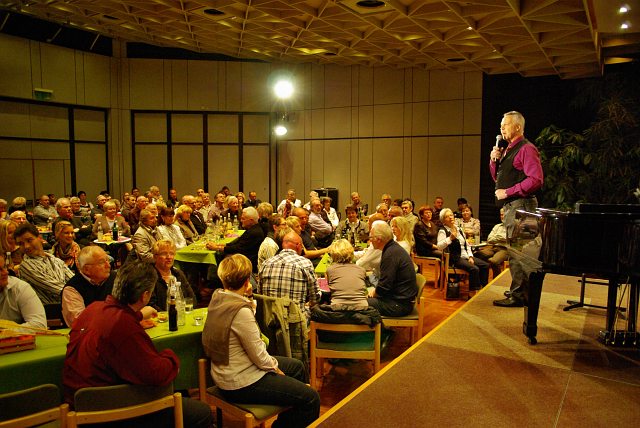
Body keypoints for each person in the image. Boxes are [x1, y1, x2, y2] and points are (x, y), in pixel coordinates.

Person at [62, 261, 213, 427]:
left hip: (77, 403)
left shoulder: (92, 309)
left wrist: (138, 316)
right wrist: (170, 356)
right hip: (108, 411)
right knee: (201, 412)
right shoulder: (124, 327)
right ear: (145, 295)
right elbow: (156, 374)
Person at [202, 254, 320, 427]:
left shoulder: (218, 297)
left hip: (226, 372)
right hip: (241, 383)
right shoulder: (241, 311)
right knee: (311, 398)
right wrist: (276, 369)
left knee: (297, 367)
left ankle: (288, 420)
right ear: (247, 281)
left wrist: (249, 297)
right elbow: (259, 355)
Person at [490, 111, 544, 307]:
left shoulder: (526, 149)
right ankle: (519, 292)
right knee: (515, 252)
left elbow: (536, 180)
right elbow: (498, 179)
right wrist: (494, 161)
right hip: (514, 207)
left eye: (505, 125)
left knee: (524, 254)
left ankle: (525, 295)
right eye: (501, 125)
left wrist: (508, 192)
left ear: (518, 127)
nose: (501, 128)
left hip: (523, 206)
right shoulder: (507, 150)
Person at [258, 231, 319, 314]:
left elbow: (260, 294)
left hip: (270, 318)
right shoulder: (305, 263)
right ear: (298, 245)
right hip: (296, 319)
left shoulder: (266, 264)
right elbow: (315, 297)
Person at [366, 221, 417, 317]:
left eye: (371, 238)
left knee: (359, 303)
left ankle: (376, 326)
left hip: (399, 305)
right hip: (400, 299)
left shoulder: (390, 254)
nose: (370, 241)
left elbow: (384, 287)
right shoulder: (392, 248)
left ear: (379, 239)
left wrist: (374, 293)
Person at [15, 223, 74, 304]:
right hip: (49, 308)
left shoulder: (54, 259)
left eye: (29, 240)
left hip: (69, 303)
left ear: (40, 238)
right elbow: (57, 289)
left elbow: (74, 281)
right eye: (21, 244)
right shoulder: (26, 266)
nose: (26, 246)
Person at [61, 246, 115, 327]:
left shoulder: (115, 278)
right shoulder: (72, 289)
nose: (108, 265)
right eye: (101, 262)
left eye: (107, 260)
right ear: (86, 269)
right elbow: (79, 322)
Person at [437, 208, 489, 291]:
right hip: (455, 258)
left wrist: (470, 256)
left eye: (451, 215)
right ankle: (473, 292)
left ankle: (484, 288)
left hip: (465, 256)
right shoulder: (443, 231)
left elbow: (467, 245)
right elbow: (439, 246)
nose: (450, 217)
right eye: (447, 216)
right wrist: (450, 238)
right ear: (443, 220)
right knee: (474, 269)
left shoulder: (459, 229)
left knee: (485, 265)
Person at [206, 207, 265, 273]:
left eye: (243, 219)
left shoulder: (254, 232)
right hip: (243, 256)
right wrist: (220, 245)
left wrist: (217, 248)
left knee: (216, 262)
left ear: (251, 220)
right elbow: (238, 243)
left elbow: (237, 248)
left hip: (246, 262)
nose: (241, 221)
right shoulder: (253, 229)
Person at [0, 253, 47, 329]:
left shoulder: (20, 288)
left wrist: (5, 331)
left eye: (4, 267)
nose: (6, 272)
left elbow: (39, 325)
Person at [149, 240, 195, 311]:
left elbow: (191, 298)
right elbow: (151, 305)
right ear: (155, 257)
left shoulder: (178, 274)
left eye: (171, 253)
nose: (169, 257)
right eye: (164, 253)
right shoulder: (150, 277)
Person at [326, 239, 368, 310]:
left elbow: (330, 289)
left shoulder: (330, 270)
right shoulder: (362, 270)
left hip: (338, 308)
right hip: (362, 308)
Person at [474, 208, 509, 279]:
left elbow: (508, 238)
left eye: (504, 215)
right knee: (477, 255)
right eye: (501, 215)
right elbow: (489, 239)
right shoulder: (497, 226)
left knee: (493, 261)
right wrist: (501, 238)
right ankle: (482, 280)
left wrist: (497, 236)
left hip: (505, 249)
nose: (502, 216)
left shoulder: (512, 227)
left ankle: (496, 281)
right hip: (493, 247)